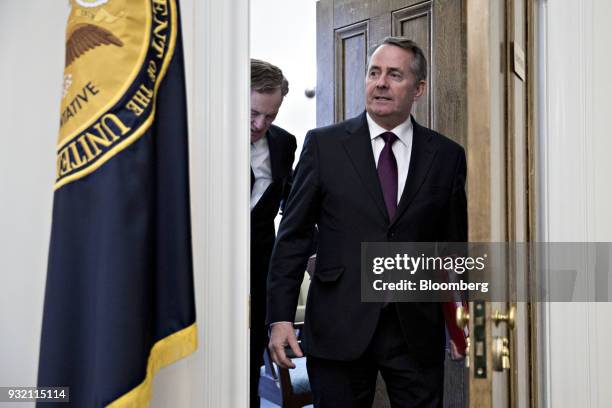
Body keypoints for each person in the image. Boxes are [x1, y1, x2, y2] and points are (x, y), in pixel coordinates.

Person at [266, 37, 467, 407]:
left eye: (394, 74)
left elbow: (452, 249)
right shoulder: (323, 146)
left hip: (414, 330)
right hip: (338, 326)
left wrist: (459, 322)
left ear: (418, 88)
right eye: (374, 73)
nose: (381, 83)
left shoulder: (447, 156)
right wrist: (279, 319)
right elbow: (292, 237)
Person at [249, 58, 297, 408]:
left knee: (249, 362)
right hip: (203, 269)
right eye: (252, 113)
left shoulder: (284, 143)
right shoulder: (202, 138)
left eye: (270, 116)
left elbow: (291, 205)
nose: (259, 124)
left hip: (259, 270)